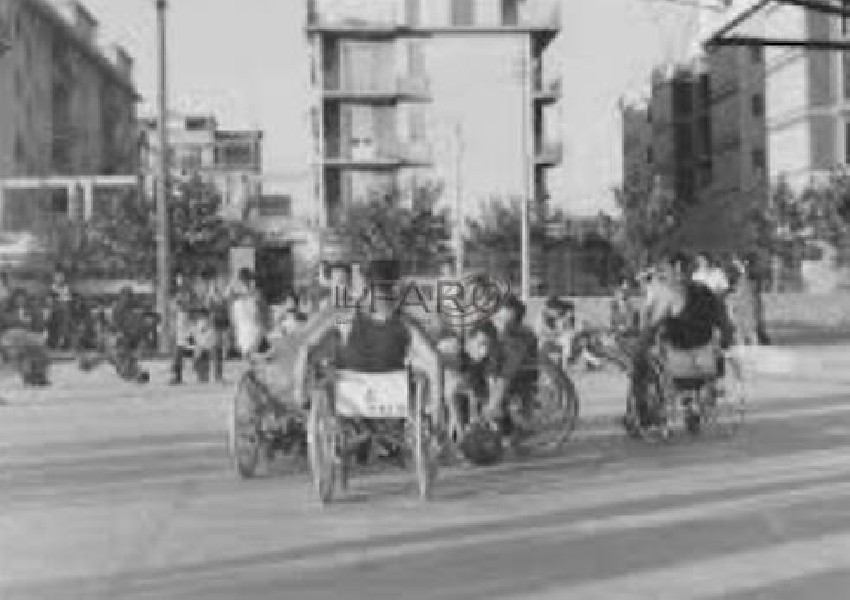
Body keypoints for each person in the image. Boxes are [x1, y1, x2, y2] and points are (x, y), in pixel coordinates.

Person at [627, 252, 730, 429]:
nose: (663, 274)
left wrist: (639, 336)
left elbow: (652, 324)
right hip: (703, 354)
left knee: (639, 358)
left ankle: (642, 412)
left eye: (665, 269)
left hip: (677, 352)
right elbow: (723, 321)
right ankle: (690, 404)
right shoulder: (706, 291)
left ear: (677, 267)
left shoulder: (669, 291)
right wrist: (724, 341)